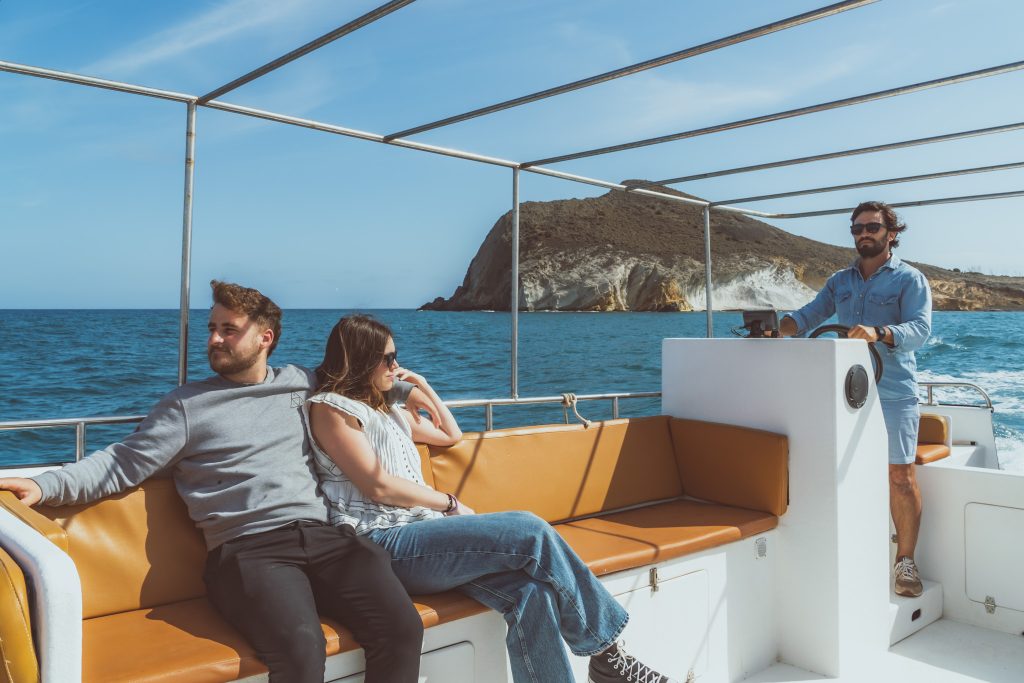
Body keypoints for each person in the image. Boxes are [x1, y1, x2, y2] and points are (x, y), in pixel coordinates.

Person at [0, 281, 435, 683]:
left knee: (401, 629)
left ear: (266, 338)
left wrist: (403, 392)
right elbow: (122, 463)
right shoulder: (186, 408)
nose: (213, 339)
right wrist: (45, 485)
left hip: (325, 536)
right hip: (248, 550)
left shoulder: (302, 384)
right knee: (302, 648)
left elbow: (357, 381)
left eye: (229, 329)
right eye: (211, 328)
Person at [306, 314, 678, 683]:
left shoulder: (390, 413)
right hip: (382, 544)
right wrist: (449, 503)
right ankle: (608, 654)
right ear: (362, 358)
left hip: (425, 539)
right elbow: (377, 486)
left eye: (396, 356)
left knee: (530, 593)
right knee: (530, 530)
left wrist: (421, 384)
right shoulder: (333, 409)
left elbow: (449, 433)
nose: (396, 365)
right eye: (388, 359)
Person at [772, 201, 932, 598]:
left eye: (872, 227)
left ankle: (905, 561)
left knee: (900, 476)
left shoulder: (910, 280)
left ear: (891, 233)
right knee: (833, 471)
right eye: (857, 227)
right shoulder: (840, 281)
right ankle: (842, 556)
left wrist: (879, 332)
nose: (864, 233)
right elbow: (810, 315)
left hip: (894, 392)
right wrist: (778, 329)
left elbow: (920, 329)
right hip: (845, 394)